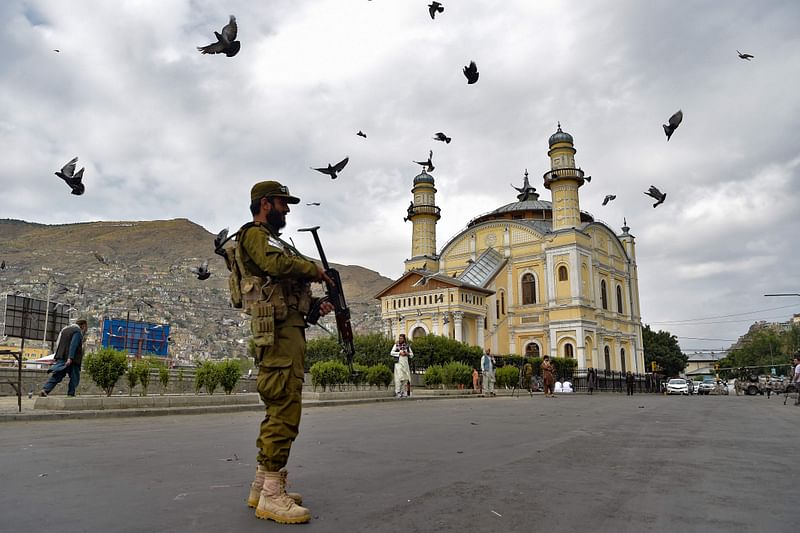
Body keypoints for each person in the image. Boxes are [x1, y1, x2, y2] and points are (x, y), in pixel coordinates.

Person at [239, 180, 334, 524]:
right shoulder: (255, 235)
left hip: (287, 329)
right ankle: (271, 497)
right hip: (278, 335)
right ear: (266, 204)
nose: (288, 209)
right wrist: (316, 269)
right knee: (285, 406)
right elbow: (275, 265)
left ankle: (262, 485)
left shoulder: (275, 241)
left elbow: (286, 289)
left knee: (280, 405)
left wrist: (314, 307)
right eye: (283, 203)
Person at [40, 319, 88, 397]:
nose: (86, 329)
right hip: (72, 359)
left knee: (57, 375)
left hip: (61, 357)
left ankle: (45, 390)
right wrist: (70, 357)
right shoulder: (77, 332)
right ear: (83, 325)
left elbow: (58, 343)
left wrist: (56, 357)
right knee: (74, 377)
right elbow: (73, 344)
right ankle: (71, 394)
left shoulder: (65, 330)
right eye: (86, 327)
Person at [390, 333, 414, 398]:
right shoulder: (396, 345)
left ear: (404, 339)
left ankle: (402, 392)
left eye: (401, 338)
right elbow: (391, 353)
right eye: (399, 338)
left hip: (405, 364)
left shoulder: (407, 346)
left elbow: (412, 355)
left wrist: (407, 353)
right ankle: (397, 392)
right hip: (398, 364)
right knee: (399, 378)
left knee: (405, 378)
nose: (400, 339)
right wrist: (399, 353)